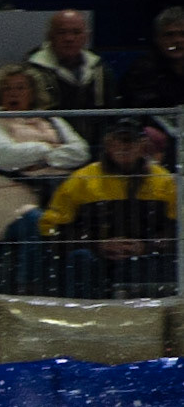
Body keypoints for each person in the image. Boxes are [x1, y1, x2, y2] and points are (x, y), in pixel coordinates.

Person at [0, 63, 89, 293]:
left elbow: (80, 151)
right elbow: (6, 156)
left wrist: (38, 158)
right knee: (36, 222)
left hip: (55, 197)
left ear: (33, 92)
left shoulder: (52, 120)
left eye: (20, 88)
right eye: (7, 89)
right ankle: (29, 290)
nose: (13, 93)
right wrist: (49, 150)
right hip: (5, 205)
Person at [39, 119, 177, 298]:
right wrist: (97, 245)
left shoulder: (163, 181)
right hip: (95, 261)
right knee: (80, 259)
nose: (124, 146)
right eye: (118, 140)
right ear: (107, 144)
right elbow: (52, 230)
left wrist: (147, 247)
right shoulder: (82, 179)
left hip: (147, 259)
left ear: (142, 145)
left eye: (130, 141)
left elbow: (176, 229)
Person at [28, 10, 112, 139]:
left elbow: (110, 112)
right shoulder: (33, 70)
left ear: (86, 37)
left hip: (96, 145)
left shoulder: (99, 68)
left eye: (76, 32)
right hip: (51, 145)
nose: (69, 38)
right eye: (62, 32)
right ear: (50, 36)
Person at [120, 6, 184, 112]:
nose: (177, 41)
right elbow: (145, 113)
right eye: (169, 35)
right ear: (157, 39)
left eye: (183, 34)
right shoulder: (141, 71)